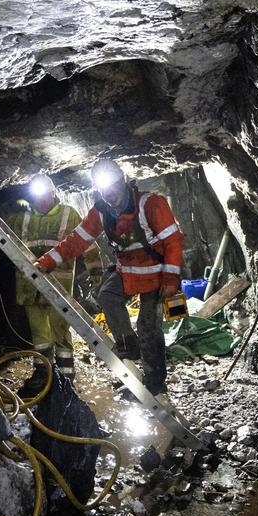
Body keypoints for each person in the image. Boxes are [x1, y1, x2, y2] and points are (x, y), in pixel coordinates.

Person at [36, 159, 184, 396]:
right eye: (104, 189)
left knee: (148, 326)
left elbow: (173, 242)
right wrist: (46, 261)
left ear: (123, 181)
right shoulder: (101, 212)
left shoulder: (151, 204)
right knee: (107, 295)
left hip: (157, 273)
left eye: (113, 186)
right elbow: (76, 242)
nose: (109, 194)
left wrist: (170, 280)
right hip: (127, 270)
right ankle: (128, 344)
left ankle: (154, 383)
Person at [3, 173, 101, 388]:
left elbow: (88, 244)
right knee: (39, 334)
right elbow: (4, 234)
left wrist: (96, 273)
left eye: (45, 194)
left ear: (53, 193)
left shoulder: (69, 214)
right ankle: (43, 374)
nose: (41, 199)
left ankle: (66, 377)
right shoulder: (23, 217)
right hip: (30, 288)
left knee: (61, 332)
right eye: (37, 195)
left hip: (59, 288)